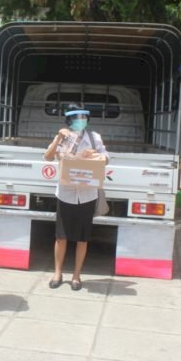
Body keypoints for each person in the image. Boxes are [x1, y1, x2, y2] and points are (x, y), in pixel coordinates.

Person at [43, 108, 109, 291]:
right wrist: (57, 138)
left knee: (82, 238)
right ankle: (57, 273)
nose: (80, 121)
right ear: (69, 121)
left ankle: (76, 275)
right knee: (61, 236)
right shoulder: (63, 137)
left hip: (87, 194)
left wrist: (93, 155)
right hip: (65, 193)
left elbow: (106, 158)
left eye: (83, 118)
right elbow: (48, 157)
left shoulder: (94, 137)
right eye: (76, 118)